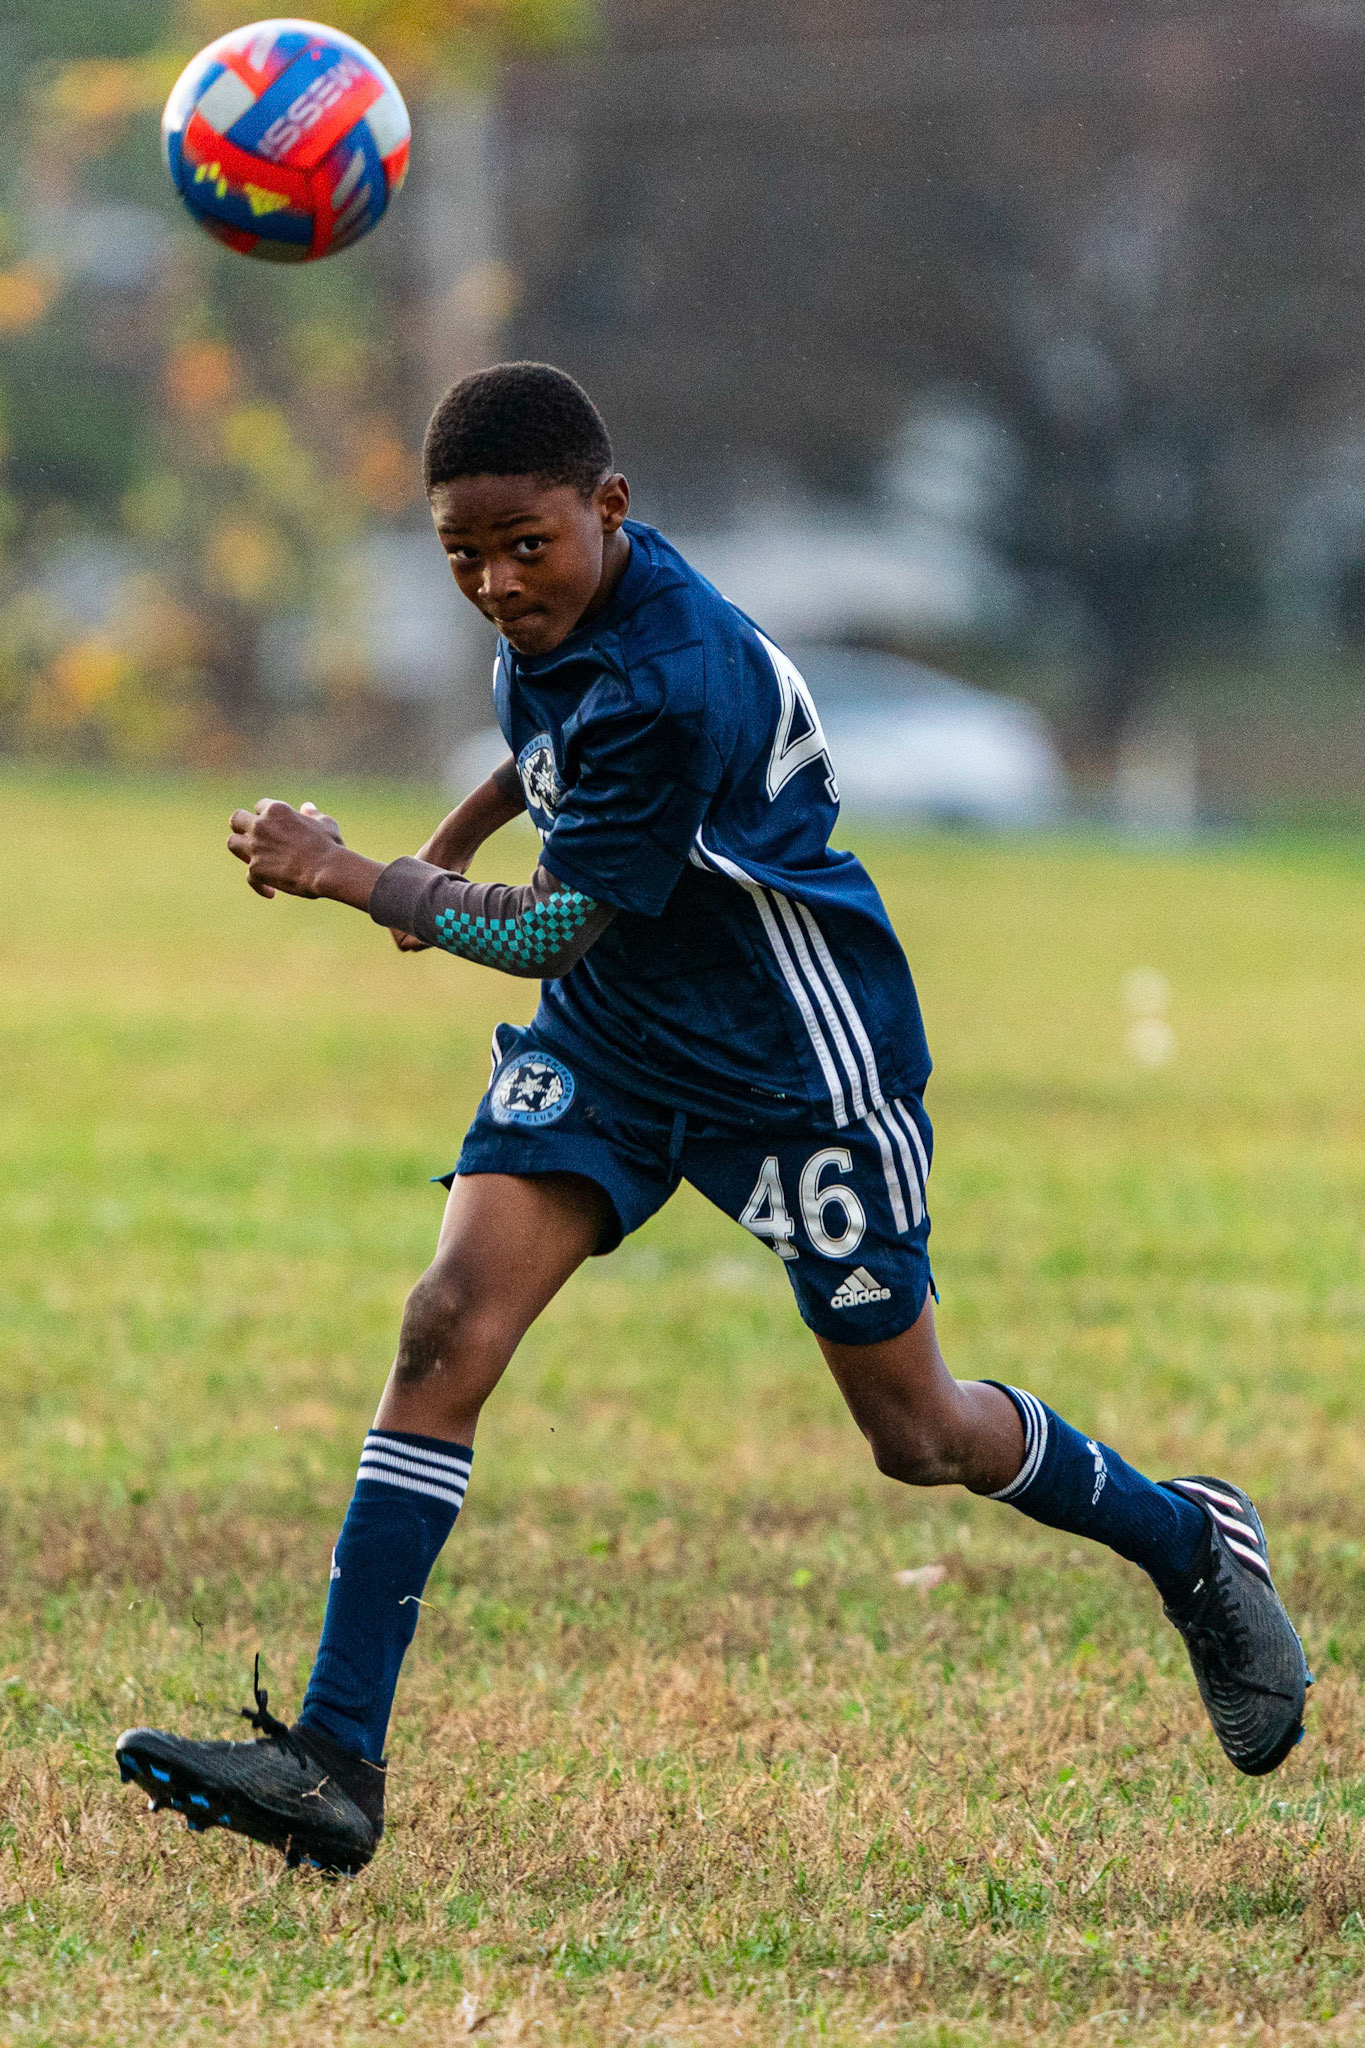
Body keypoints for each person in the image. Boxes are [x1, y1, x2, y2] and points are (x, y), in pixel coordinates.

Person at [115, 363, 1309, 1875]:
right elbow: (538, 754)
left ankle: (1187, 1540)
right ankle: (337, 1763)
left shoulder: (670, 678)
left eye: (521, 547)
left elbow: (548, 929)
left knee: (919, 1433)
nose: (493, 584)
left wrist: (364, 878)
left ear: (607, 510)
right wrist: (442, 847)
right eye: (460, 555)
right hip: (614, 1048)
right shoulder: (568, 609)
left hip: (792, 1070)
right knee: (444, 1329)